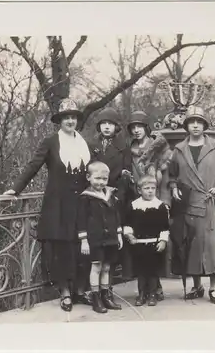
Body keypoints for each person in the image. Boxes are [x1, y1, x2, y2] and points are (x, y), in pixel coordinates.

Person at [3, 99, 92, 312]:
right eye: (66, 117)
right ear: (59, 121)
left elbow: (94, 170)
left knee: (82, 248)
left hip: (82, 203)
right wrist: (16, 188)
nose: (70, 121)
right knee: (62, 250)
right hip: (59, 205)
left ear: (77, 120)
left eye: (73, 117)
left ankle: (80, 291)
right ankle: (65, 293)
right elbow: (34, 165)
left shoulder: (83, 143)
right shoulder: (51, 142)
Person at [168, 106, 215, 305]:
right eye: (192, 122)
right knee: (192, 246)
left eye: (199, 122)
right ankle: (197, 286)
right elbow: (171, 173)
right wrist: (173, 186)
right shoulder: (179, 150)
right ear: (186, 126)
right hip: (189, 204)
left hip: (211, 204)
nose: (195, 126)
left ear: (204, 125)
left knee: (213, 246)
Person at [125, 110, 172, 301]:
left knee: (157, 243)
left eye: (140, 127)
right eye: (133, 127)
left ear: (146, 128)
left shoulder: (158, 148)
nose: (136, 131)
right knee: (138, 246)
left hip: (155, 195)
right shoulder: (129, 149)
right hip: (136, 199)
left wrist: (166, 202)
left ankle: (155, 288)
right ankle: (144, 289)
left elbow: (167, 177)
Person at [88, 107, 132, 307]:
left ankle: (108, 292)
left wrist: (118, 195)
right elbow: (86, 171)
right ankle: (95, 294)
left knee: (111, 252)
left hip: (114, 199)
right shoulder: (92, 145)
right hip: (95, 197)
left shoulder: (123, 147)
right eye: (103, 123)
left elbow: (127, 174)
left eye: (111, 124)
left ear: (116, 127)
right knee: (96, 252)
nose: (107, 127)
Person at [77, 161, 124, 313]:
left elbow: (116, 216)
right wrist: (84, 240)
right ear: (88, 177)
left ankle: (106, 297)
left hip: (110, 238)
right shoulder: (86, 198)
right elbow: (81, 220)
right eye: (97, 178)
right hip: (95, 239)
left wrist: (119, 234)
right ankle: (96, 298)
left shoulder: (111, 195)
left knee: (107, 267)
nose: (101, 182)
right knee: (96, 267)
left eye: (104, 179)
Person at [123, 175, 170, 306]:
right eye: (146, 188)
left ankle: (153, 294)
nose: (150, 191)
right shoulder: (133, 205)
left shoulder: (160, 206)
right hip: (139, 244)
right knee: (141, 271)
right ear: (139, 190)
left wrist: (163, 241)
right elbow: (127, 223)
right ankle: (141, 294)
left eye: (153, 188)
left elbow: (165, 226)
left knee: (153, 271)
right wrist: (130, 236)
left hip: (155, 244)